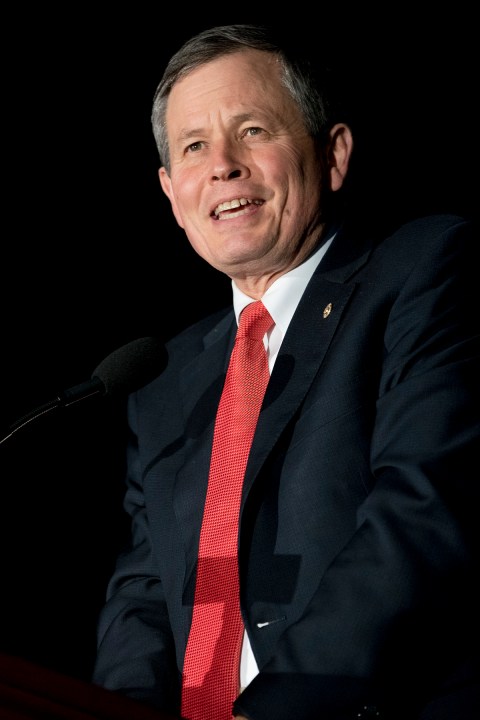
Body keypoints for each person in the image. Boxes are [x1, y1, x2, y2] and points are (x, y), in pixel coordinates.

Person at [92, 23, 479, 720]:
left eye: (252, 131)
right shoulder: (162, 375)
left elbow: (423, 510)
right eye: (193, 147)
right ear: (172, 195)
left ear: (332, 156)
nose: (222, 166)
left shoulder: (422, 271)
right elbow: (145, 595)